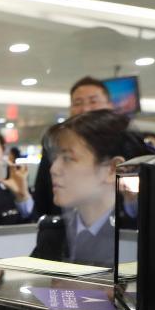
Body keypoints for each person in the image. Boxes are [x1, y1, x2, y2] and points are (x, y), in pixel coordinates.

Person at [31, 110, 149, 268]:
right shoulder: (53, 233)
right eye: (55, 158)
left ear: (113, 169)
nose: (54, 169)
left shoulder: (137, 239)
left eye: (68, 158)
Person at [33, 76, 113, 219]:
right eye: (78, 103)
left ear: (109, 105)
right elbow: (43, 190)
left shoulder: (125, 141)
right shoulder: (55, 142)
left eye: (93, 101)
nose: (85, 109)